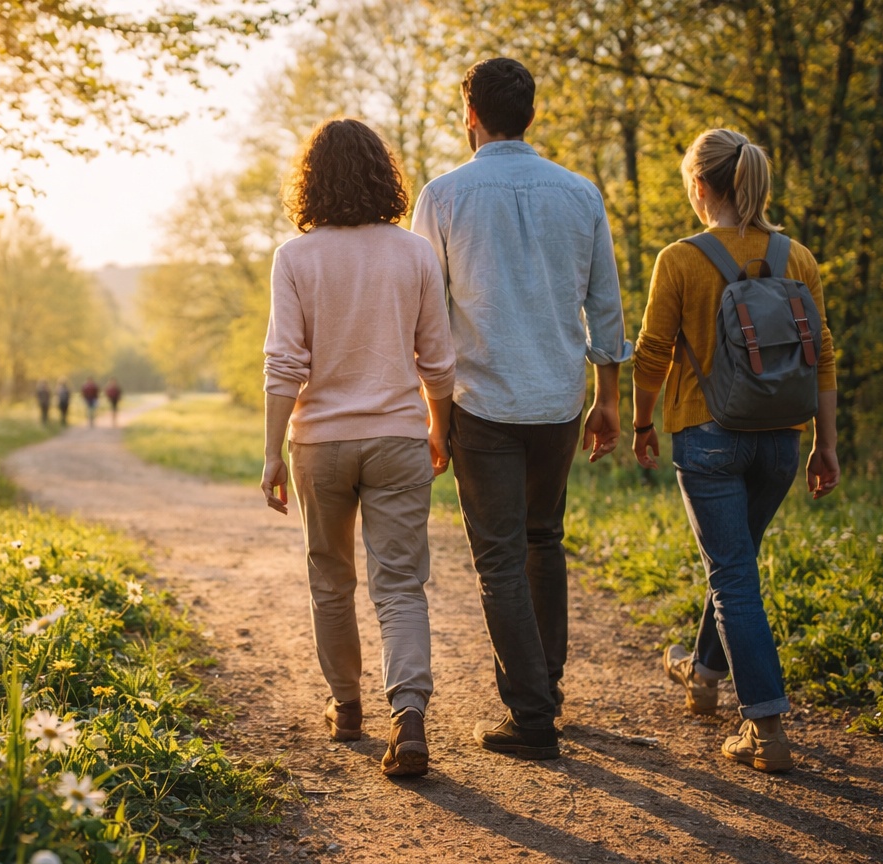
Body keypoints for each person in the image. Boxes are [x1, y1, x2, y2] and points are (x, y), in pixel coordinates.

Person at [411, 57, 631, 760]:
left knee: (501, 559)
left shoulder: (443, 196)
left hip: (482, 400)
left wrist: (434, 419)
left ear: (469, 115)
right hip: (558, 399)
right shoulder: (580, 193)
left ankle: (532, 717)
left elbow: (426, 316)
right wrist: (608, 401)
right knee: (543, 540)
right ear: (530, 115)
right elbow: (606, 306)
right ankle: (547, 690)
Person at [632, 128, 839, 773]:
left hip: (708, 435)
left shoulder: (681, 258)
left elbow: (651, 354)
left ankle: (766, 725)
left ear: (700, 186)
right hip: (781, 440)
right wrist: (825, 445)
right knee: (735, 564)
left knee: (731, 576)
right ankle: (701, 671)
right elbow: (822, 355)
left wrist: (641, 424)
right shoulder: (796, 257)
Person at [261, 118, 455, 778]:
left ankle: (346, 707)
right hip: (399, 435)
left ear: (310, 183)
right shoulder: (413, 253)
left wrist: (271, 453)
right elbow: (440, 360)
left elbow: (284, 363)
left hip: (321, 442)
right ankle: (409, 718)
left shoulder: (296, 257)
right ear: (384, 175)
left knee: (331, 580)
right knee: (400, 585)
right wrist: (440, 427)